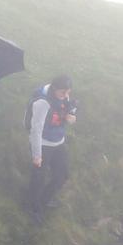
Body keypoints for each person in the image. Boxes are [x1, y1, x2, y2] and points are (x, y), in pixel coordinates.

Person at [27, 75, 77, 224]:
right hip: (43, 144)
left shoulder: (63, 96)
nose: (66, 96)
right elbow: (36, 130)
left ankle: (44, 200)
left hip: (58, 141)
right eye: (63, 92)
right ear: (54, 89)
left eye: (68, 92)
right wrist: (37, 154)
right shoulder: (43, 102)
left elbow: (70, 110)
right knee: (38, 178)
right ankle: (33, 208)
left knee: (62, 176)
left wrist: (72, 117)